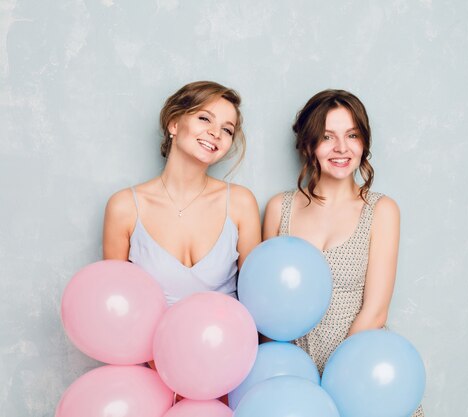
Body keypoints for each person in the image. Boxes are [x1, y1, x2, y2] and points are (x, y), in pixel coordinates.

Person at [263, 89, 424, 416]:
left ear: (363, 142)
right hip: (295, 384)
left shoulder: (381, 210)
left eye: (352, 135)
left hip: (363, 378)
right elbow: (267, 313)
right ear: (309, 144)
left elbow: (376, 312)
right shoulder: (280, 208)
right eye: (327, 137)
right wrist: (288, 381)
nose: (341, 148)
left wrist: (339, 381)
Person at [103, 81, 261, 306]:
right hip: (152, 341)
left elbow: (257, 299)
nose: (215, 133)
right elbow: (115, 304)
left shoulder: (240, 203)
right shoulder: (124, 207)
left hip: (227, 339)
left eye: (227, 129)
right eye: (205, 118)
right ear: (174, 124)